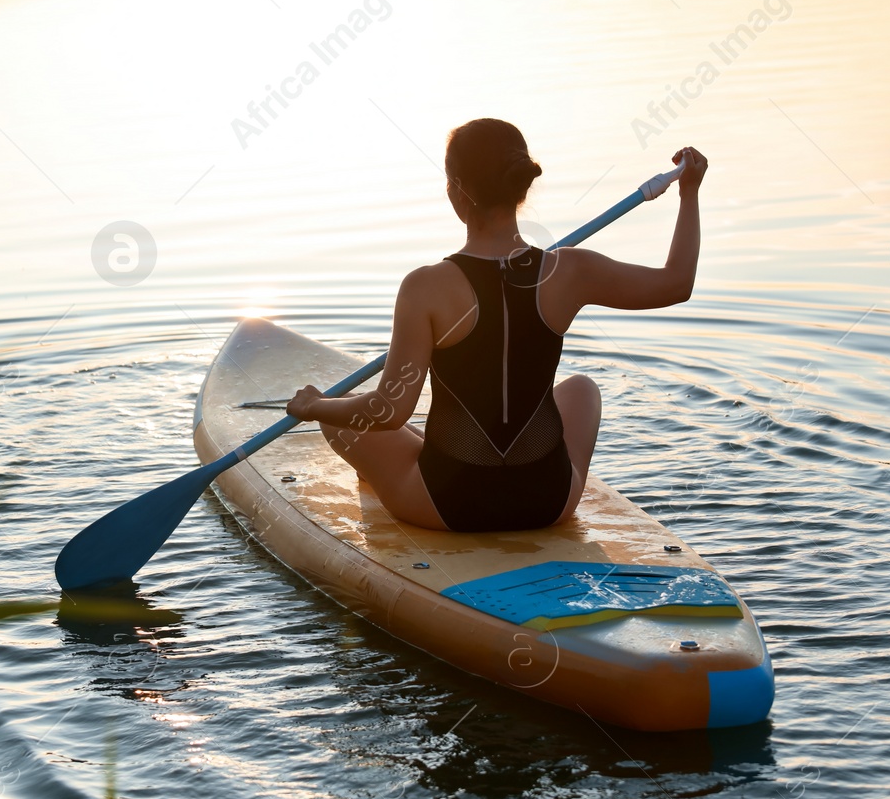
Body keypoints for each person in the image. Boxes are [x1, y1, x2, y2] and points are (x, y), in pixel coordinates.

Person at [285, 118, 706, 532]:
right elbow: (676, 284)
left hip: (450, 506)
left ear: (455, 189)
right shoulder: (571, 270)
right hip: (549, 500)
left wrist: (314, 406)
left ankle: (382, 471)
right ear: (521, 187)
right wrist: (689, 192)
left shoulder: (425, 286)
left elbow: (389, 410)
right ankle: (410, 461)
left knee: (342, 418)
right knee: (583, 389)